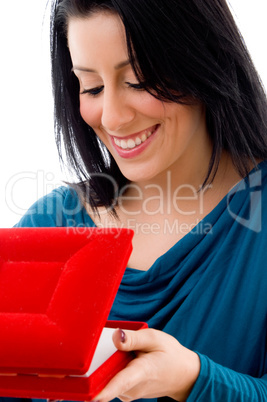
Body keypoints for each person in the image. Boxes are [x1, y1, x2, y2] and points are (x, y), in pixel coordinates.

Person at [4, 0, 267, 401]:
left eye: (139, 81)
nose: (111, 118)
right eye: (91, 87)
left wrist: (193, 379)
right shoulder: (51, 222)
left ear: (203, 61)